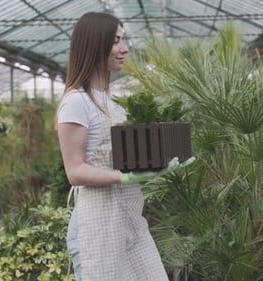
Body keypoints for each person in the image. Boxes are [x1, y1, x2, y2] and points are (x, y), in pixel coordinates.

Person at [57, 12, 193, 280]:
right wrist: (126, 176)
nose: (125, 48)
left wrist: (159, 163)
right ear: (96, 44)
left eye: (123, 39)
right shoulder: (76, 102)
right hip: (98, 224)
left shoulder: (111, 99)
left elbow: (126, 154)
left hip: (129, 220)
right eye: (116, 40)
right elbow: (75, 172)